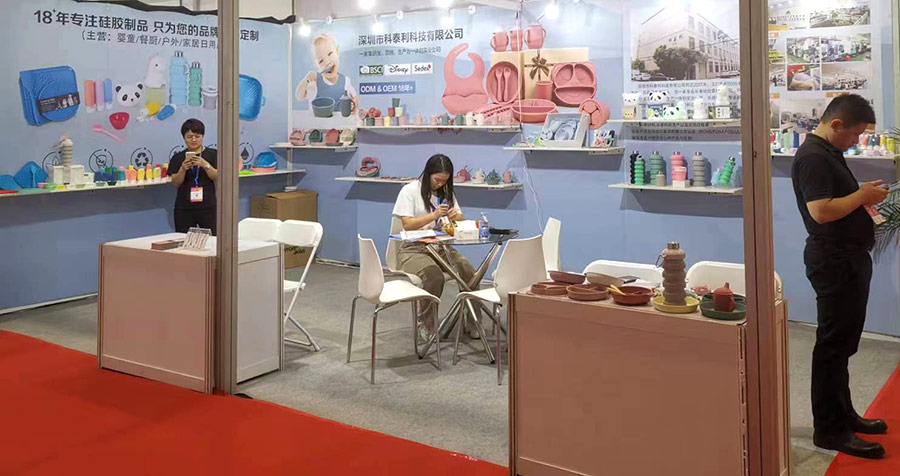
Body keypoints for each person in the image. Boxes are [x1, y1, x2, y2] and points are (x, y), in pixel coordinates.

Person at [791, 94, 888, 459]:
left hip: (848, 258)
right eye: (854, 134)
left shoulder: (829, 152)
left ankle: (844, 414)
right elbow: (821, 211)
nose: (856, 140)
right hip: (833, 260)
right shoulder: (814, 157)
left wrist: (862, 196)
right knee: (832, 347)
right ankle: (829, 430)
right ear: (836, 124)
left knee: (842, 345)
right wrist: (861, 194)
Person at [392, 154, 479, 341]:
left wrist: (456, 217)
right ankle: (426, 323)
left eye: (444, 181)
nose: (440, 184)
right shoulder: (410, 191)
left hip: (441, 247)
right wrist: (434, 215)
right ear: (428, 174)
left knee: (469, 271)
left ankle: (472, 321)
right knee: (433, 276)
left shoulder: (446, 193)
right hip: (413, 249)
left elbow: (460, 219)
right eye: (437, 180)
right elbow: (408, 225)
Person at [168, 119, 219, 234]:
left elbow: (218, 177)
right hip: (184, 207)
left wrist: (205, 165)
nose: (194, 139)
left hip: (208, 206)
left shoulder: (213, 154)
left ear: (202, 136)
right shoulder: (177, 157)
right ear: (184, 138)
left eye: (197, 136)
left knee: (213, 239)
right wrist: (183, 169)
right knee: (183, 239)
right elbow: (175, 183)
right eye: (190, 136)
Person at [295, 33, 357, 113]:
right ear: (316, 65)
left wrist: (353, 108)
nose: (327, 62)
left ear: (337, 52)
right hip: (318, 120)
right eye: (321, 61)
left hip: (340, 120)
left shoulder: (346, 81)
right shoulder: (315, 83)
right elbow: (299, 96)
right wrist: (306, 81)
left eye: (330, 54)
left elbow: (354, 98)